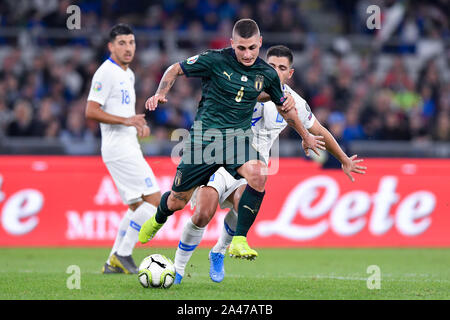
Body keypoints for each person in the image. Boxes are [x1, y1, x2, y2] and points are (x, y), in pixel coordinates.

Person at [173, 45, 367, 284]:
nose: (275, 71)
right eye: (272, 66)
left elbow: (319, 130)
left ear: (290, 73)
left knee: (243, 198)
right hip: (219, 154)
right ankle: (178, 269)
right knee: (203, 212)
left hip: (251, 165)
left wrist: (344, 159)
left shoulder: (294, 101)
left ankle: (219, 251)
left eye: (281, 68)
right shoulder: (243, 86)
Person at [138, 19, 324, 259]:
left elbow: (285, 107)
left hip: (238, 140)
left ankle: (238, 240)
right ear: (232, 44)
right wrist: (160, 93)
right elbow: (175, 69)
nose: (247, 54)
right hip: (205, 141)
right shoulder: (214, 60)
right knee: (177, 200)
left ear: (260, 43)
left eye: (252, 48)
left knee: (258, 173)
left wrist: (306, 135)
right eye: (241, 48)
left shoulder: (266, 73)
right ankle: (158, 218)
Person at [85, 24, 161, 274]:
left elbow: (124, 111)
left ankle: (112, 263)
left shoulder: (127, 74)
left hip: (128, 144)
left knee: (137, 207)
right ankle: (123, 252)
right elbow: (91, 110)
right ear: (111, 46)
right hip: (118, 148)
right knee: (155, 200)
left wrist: (135, 123)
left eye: (131, 43)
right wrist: (126, 121)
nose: (128, 48)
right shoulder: (105, 73)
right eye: (122, 43)